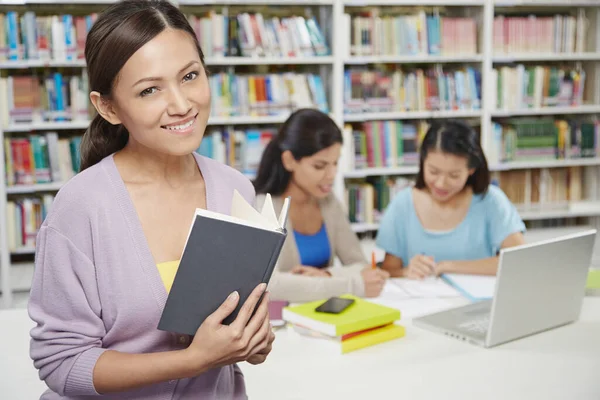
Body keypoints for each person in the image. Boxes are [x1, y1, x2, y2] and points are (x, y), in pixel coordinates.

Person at [27, 1, 273, 399]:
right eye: (150, 90)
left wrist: (252, 342)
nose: (181, 104)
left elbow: (237, 327)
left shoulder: (235, 189)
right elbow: (61, 363)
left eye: (190, 75)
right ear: (107, 107)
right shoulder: (81, 207)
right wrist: (195, 359)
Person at [253, 108, 390, 303]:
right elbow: (269, 285)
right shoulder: (262, 207)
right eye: (320, 166)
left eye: (335, 163)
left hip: (325, 316)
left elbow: (361, 265)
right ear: (289, 160)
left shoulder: (329, 202)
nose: (332, 175)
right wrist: (351, 285)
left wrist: (326, 276)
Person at [377, 120, 526, 279]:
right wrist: (406, 272)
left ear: (471, 170)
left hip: (479, 302)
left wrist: (448, 266)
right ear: (422, 163)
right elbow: (388, 271)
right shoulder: (403, 204)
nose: (441, 184)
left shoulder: (491, 201)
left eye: (453, 175)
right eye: (433, 172)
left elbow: (520, 260)